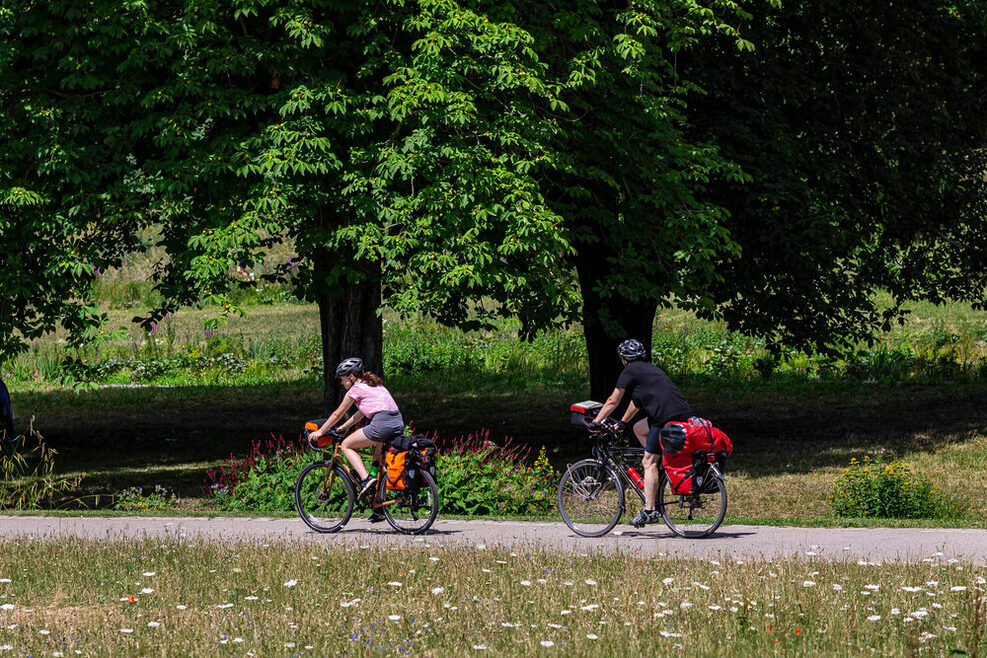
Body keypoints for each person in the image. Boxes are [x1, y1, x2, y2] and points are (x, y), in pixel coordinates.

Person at [590, 338, 691, 528]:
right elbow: (635, 403)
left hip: (664, 417)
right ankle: (657, 465)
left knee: (648, 462)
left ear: (623, 359)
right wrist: (622, 423)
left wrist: (596, 421)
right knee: (638, 428)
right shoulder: (649, 369)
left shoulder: (630, 370)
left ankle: (649, 511)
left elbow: (613, 400)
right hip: (681, 412)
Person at [307, 357, 404, 520]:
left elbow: (337, 413)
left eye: (343, 379)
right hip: (397, 422)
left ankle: (366, 480)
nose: (342, 383)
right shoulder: (373, 385)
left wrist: (321, 432)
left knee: (346, 445)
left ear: (352, 376)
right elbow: (360, 414)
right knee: (377, 457)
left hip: (381, 423)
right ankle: (378, 503)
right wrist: (343, 427)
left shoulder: (355, 389)